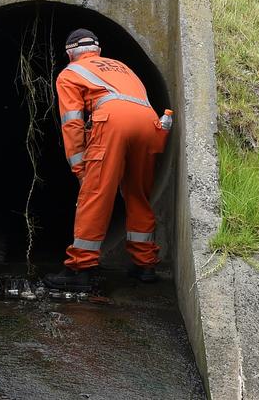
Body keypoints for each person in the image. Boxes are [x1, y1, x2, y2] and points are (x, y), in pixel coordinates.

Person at [43, 28, 169, 291]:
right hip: (149, 122)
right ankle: (144, 264)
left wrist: (79, 166)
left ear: (70, 53)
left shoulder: (70, 73)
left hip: (113, 121)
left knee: (96, 193)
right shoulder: (121, 67)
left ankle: (80, 268)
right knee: (137, 193)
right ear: (97, 50)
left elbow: (72, 122)